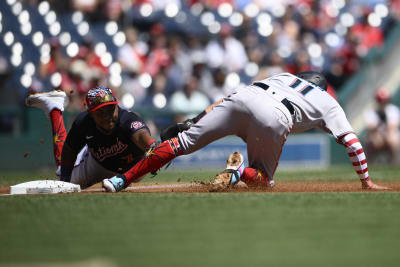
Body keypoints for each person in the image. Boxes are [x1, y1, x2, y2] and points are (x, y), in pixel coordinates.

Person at [102, 71, 388, 192]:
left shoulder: (285, 76)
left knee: (180, 143)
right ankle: (238, 173)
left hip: (244, 97)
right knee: (263, 179)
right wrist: (365, 181)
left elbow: (234, 96)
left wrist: (197, 119)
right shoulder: (328, 101)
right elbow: (352, 142)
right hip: (274, 116)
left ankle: (120, 180)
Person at [25, 86, 156, 189]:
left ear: (117, 106)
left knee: (139, 172)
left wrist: (153, 147)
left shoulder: (128, 119)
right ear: (91, 114)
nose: (107, 116)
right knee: (61, 178)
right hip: (97, 165)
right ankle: (54, 108)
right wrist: (65, 181)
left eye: (110, 109)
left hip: (132, 168)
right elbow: (69, 150)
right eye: (100, 112)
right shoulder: (83, 122)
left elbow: (142, 136)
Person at [364, 88, 400, 164]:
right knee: (373, 140)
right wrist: (379, 123)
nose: (383, 103)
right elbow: (371, 128)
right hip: (377, 137)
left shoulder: (393, 110)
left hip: (390, 136)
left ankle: (394, 162)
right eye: (380, 101)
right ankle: (369, 164)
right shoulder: (371, 111)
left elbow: (393, 127)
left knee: (392, 139)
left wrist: (385, 120)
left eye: (384, 101)